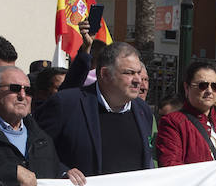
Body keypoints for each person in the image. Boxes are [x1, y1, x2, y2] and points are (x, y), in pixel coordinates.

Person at [34, 41, 154, 176]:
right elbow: (36, 150)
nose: (138, 80)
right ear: (105, 74)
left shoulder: (143, 110)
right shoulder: (67, 104)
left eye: (138, 72)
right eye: (129, 73)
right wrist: (62, 172)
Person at [0, 65, 85, 186]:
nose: (23, 95)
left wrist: (65, 174)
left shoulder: (42, 138)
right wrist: (11, 172)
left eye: (28, 91)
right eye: (15, 88)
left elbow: (51, 170)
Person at [155, 60, 216, 166]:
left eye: (215, 86)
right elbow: (172, 167)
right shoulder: (173, 122)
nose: (209, 91)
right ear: (187, 88)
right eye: (203, 85)